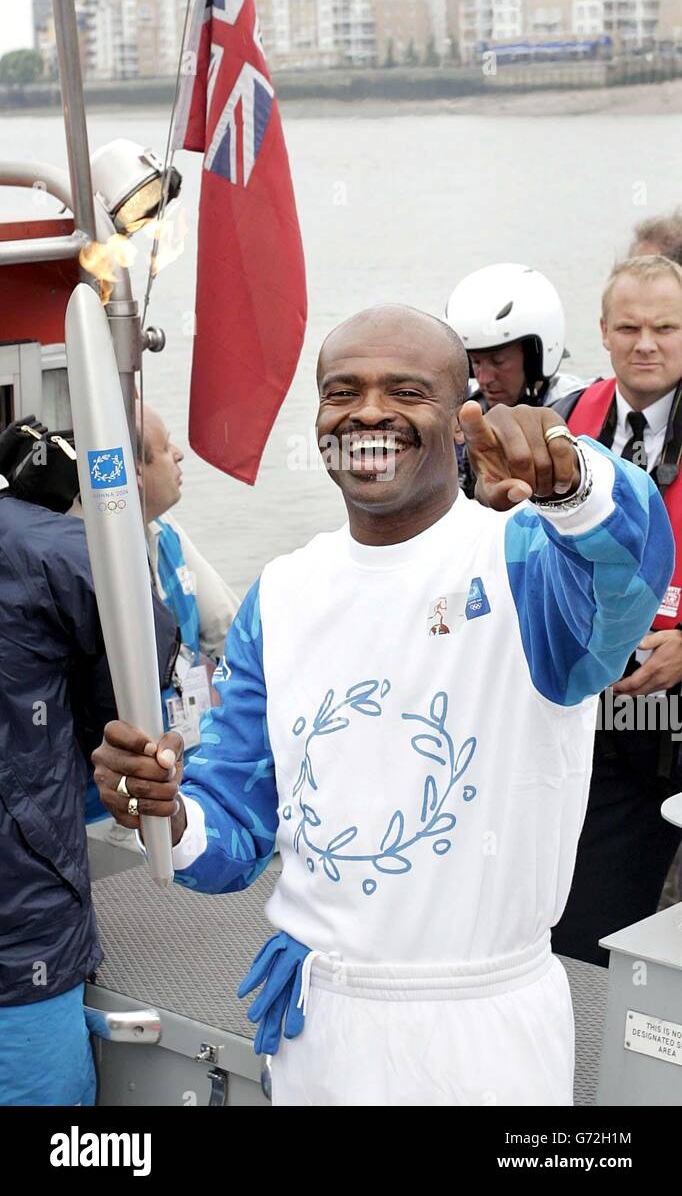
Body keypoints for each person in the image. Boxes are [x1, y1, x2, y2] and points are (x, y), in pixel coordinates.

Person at [93, 304, 672, 1108]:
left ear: (463, 420)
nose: (368, 411)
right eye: (342, 391)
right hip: (318, 1028)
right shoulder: (282, 595)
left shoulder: (531, 565)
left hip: (482, 1034)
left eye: (408, 391)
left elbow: (635, 566)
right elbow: (235, 826)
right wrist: (169, 813)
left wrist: (574, 483)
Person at [0, 419, 178, 1105]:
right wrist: (97, 735)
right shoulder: (43, 545)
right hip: (23, 944)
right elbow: (142, 630)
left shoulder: (36, 547)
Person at [551, 255, 682, 965]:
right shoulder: (566, 423)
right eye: (629, 327)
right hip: (611, 713)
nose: (647, 344)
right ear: (602, 331)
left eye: (666, 327)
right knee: (583, 931)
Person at [137, 403, 239, 740]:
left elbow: (225, 627)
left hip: (193, 747)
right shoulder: (86, 560)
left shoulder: (166, 531)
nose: (179, 454)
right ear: (136, 470)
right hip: (134, 769)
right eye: (165, 447)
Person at [444, 264, 588, 497]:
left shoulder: (581, 405)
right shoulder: (462, 407)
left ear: (533, 357)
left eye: (499, 361)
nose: (484, 379)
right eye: (476, 363)